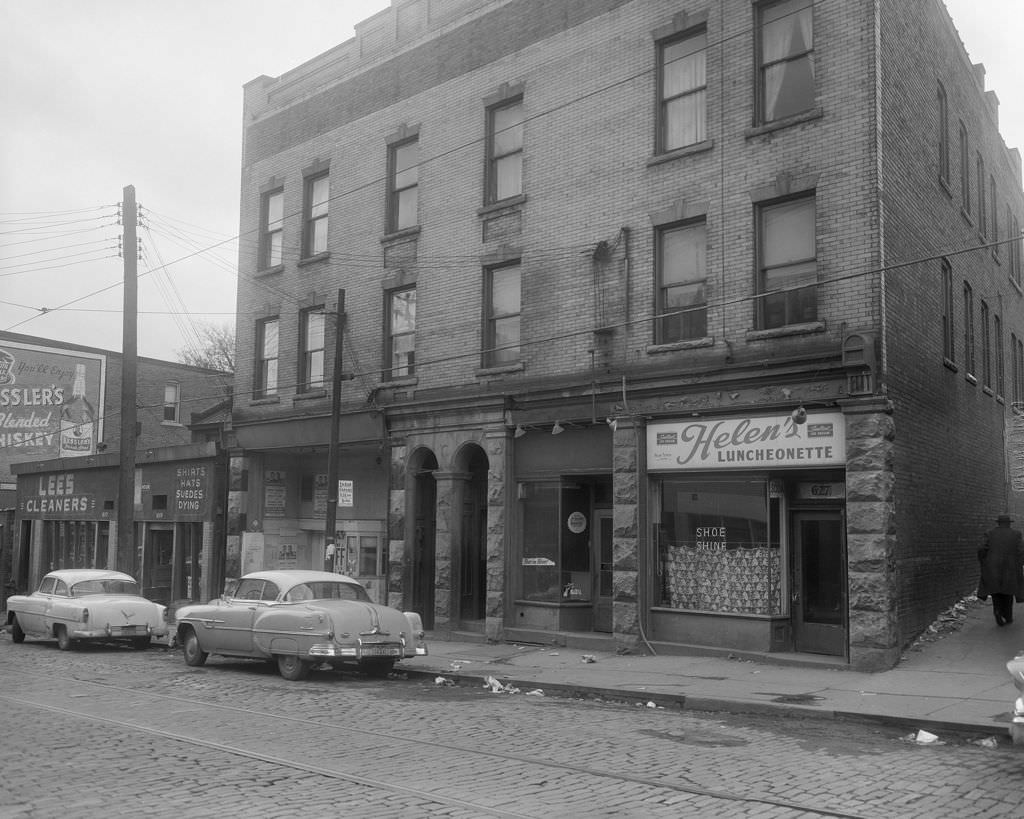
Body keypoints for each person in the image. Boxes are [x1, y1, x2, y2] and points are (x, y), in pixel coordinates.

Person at [978, 514, 1024, 626]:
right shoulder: (1016, 534)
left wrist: (984, 562)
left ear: (998, 523)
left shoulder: (989, 533)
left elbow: (981, 548)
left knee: (996, 591)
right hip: (1010, 568)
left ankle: (997, 611)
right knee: (1008, 592)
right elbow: (1021, 550)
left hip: (993, 567)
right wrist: (1020, 563)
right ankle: (1008, 616)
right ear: (1009, 523)